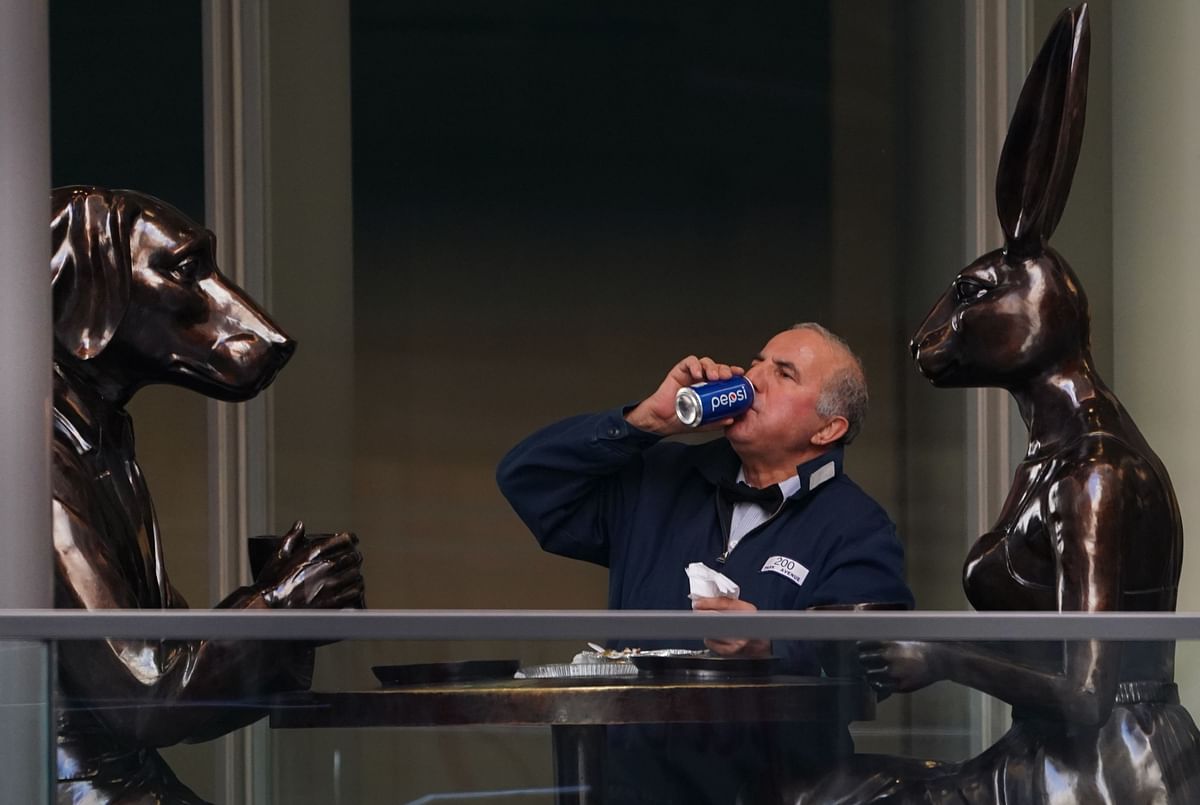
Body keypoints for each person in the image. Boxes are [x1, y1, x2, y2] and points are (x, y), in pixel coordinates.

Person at [496, 323, 913, 803]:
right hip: (632, 789)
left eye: (784, 373)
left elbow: (873, 668)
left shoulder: (855, 525)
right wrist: (644, 422)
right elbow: (526, 480)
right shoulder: (662, 478)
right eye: (757, 361)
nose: (754, 377)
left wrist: (771, 646)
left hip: (767, 792)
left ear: (828, 428)